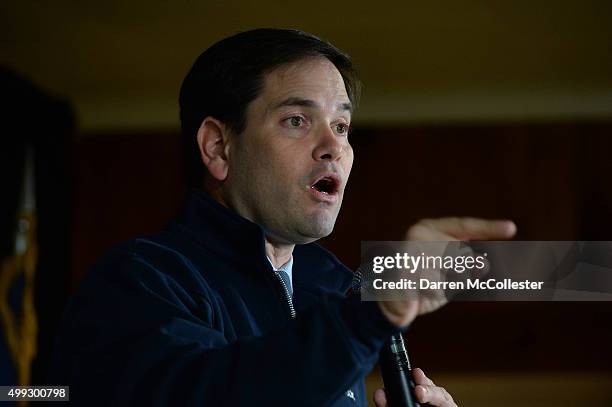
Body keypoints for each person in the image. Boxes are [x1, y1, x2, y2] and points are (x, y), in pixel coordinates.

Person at [50, 28, 516, 406]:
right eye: (296, 119)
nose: (334, 146)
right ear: (218, 146)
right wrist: (366, 318)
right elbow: (211, 393)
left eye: (341, 126)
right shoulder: (140, 280)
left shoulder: (335, 291)